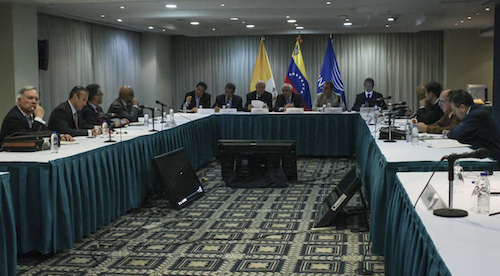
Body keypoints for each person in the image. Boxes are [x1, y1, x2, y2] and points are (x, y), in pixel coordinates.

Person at [0, 86, 73, 144]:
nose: (34, 102)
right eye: (30, 98)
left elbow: (44, 132)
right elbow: (29, 138)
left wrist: (59, 136)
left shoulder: (32, 115)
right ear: (19, 101)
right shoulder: (13, 117)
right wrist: (38, 118)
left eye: (36, 99)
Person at [447, 89, 500, 161]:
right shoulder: (475, 111)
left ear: (462, 107)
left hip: (491, 158)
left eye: (455, 110)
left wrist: (449, 133)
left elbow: (458, 133)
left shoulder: (477, 115)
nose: (455, 113)